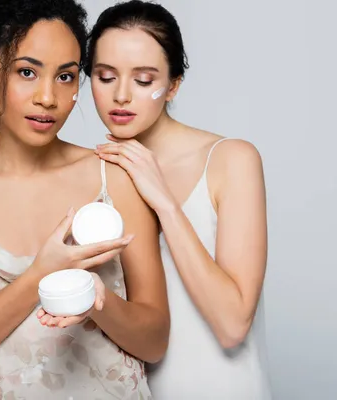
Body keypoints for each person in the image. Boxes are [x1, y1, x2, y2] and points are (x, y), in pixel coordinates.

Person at [0, 1, 170, 399]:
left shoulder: (113, 176)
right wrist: (38, 277)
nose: (48, 97)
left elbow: (154, 342)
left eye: (65, 76)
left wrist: (100, 302)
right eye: (27, 72)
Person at [87, 1, 273, 398]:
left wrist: (165, 203)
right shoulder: (90, 173)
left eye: (144, 80)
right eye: (105, 76)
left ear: (173, 85)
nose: (121, 95)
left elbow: (232, 324)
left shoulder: (230, 160)